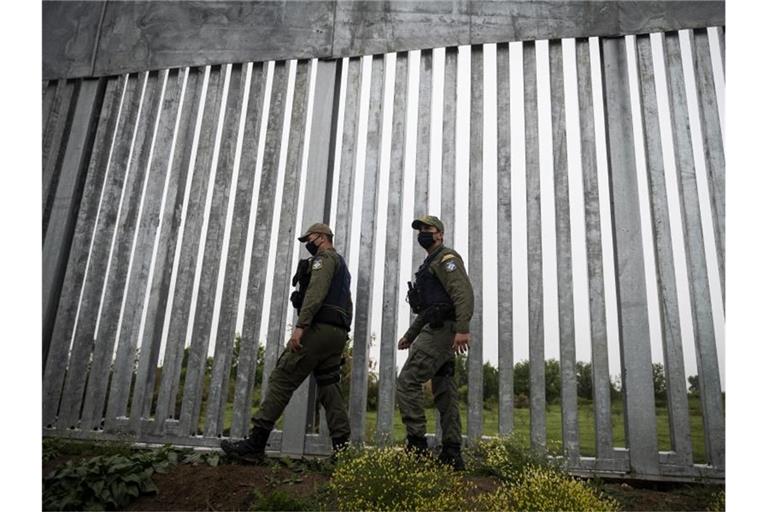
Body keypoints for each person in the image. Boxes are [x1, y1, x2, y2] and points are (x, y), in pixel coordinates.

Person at [221, 223, 353, 462]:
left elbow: (316, 292)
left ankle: (255, 443)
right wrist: (342, 335)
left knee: (283, 377)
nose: (307, 244)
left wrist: (301, 327)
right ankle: (343, 451)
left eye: (309, 239)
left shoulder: (323, 260)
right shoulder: (343, 266)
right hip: (337, 333)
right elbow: (348, 304)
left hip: (318, 330)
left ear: (322, 237)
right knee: (329, 387)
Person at [396, 215, 474, 470]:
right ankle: (452, 453)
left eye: (427, 229)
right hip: (436, 327)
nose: (423, 233)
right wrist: (410, 335)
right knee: (445, 392)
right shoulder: (429, 263)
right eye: (420, 230)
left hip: (443, 331)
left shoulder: (446, 259)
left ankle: (417, 446)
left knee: (408, 381)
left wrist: (462, 329)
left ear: (439, 233)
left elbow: (463, 293)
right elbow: (429, 310)